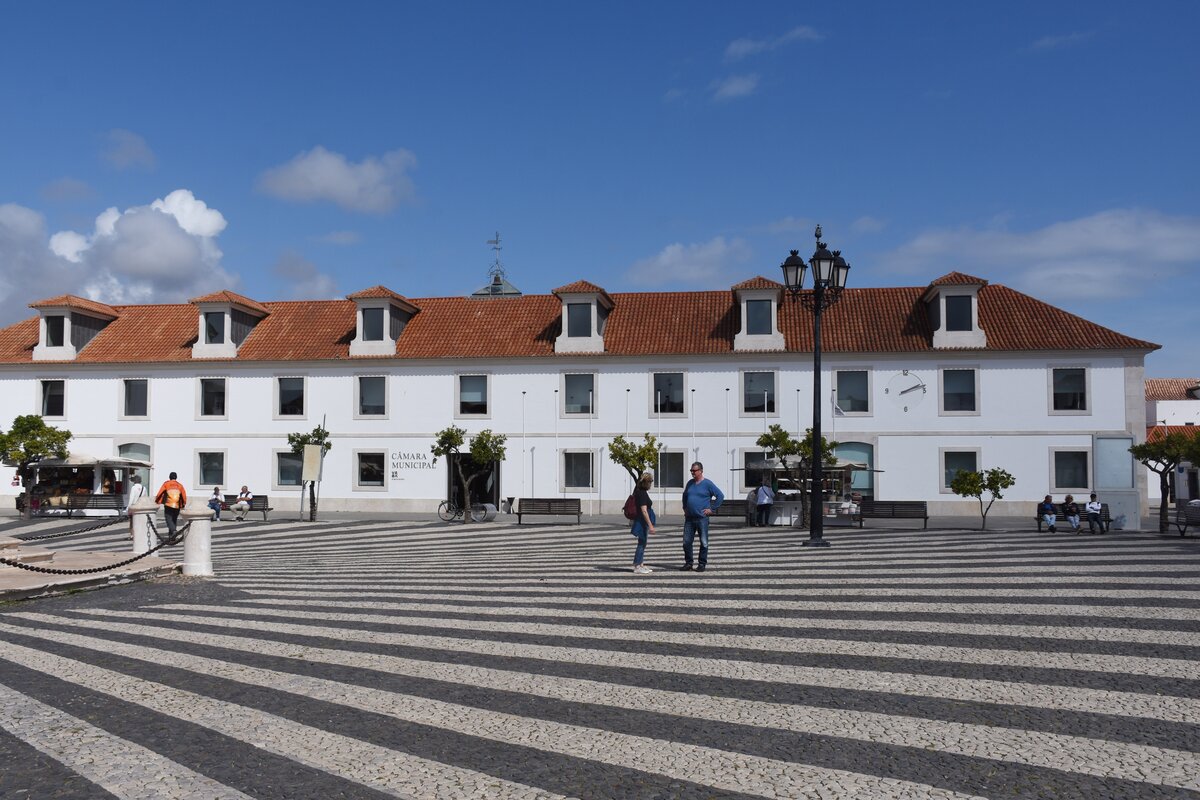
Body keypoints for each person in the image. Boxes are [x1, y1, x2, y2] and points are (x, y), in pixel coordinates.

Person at [681, 462, 723, 572]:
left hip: (702, 518)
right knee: (686, 542)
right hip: (689, 518)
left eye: (694, 471)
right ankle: (688, 563)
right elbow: (685, 495)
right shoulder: (690, 483)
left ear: (700, 471)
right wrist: (685, 507)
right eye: (691, 471)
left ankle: (702, 563)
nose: (692, 473)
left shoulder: (708, 484)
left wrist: (712, 509)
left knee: (704, 542)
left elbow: (720, 496)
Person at [630, 471, 656, 574]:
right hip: (642, 521)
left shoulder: (641, 492)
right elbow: (644, 510)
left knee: (643, 543)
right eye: (650, 481)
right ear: (646, 482)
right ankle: (637, 566)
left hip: (642, 520)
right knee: (641, 543)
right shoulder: (642, 493)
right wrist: (650, 525)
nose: (651, 484)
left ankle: (641, 564)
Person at [154, 472, 187, 540]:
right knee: (174, 520)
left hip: (168, 504)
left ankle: (173, 531)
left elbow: (160, 492)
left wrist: (157, 501)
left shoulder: (166, 484)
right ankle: (172, 536)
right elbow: (183, 496)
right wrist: (183, 504)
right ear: (176, 477)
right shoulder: (180, 485)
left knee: (168, 519)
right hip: (177, 505)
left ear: (169, 477)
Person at [124, 475, 145, 539]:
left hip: (134, 507)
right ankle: (139, 534)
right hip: (141, 507)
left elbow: (131, 499)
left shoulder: (133, 488)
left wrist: (128, 508)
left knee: (132, 522)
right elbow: (145, 498)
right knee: (139, 522)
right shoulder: (144, 488)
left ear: (134, 481)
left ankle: (132, 535)